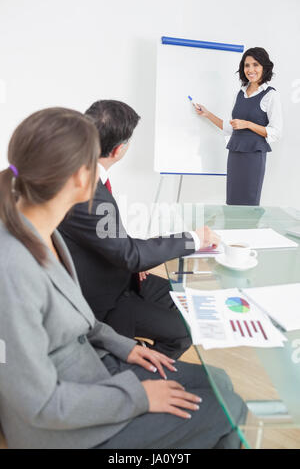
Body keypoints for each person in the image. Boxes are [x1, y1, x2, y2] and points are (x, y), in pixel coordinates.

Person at [0, 107, 247, 449]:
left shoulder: (45, 233)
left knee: (218, 380)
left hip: (93, 365)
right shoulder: (12, 268)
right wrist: (139, 397)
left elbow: (76, 320)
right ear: (80, 179)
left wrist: (126, 348)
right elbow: (39, 405)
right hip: (66, 421)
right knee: (230, 408)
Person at [59, 100, 220, 359]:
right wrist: (194, 238)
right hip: (104, 299)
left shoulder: (79, 172)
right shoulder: (88, 191)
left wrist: (133, 259)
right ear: (119, 150)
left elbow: (114, 243)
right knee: (185, 331)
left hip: (120, 274)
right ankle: (129, 364)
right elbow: (129, 253)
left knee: (188, 302)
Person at [195, 47, 282, 206]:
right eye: (247, 65)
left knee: (249, 203)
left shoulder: (270, 95)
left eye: (255, 65)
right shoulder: (239, 94)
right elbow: (231, 127)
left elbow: (276, 132)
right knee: (232, 203)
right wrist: (207, 114)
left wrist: (248, 124)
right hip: (235, 155)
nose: (250, 69)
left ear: (264, 67)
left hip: (254, 156)